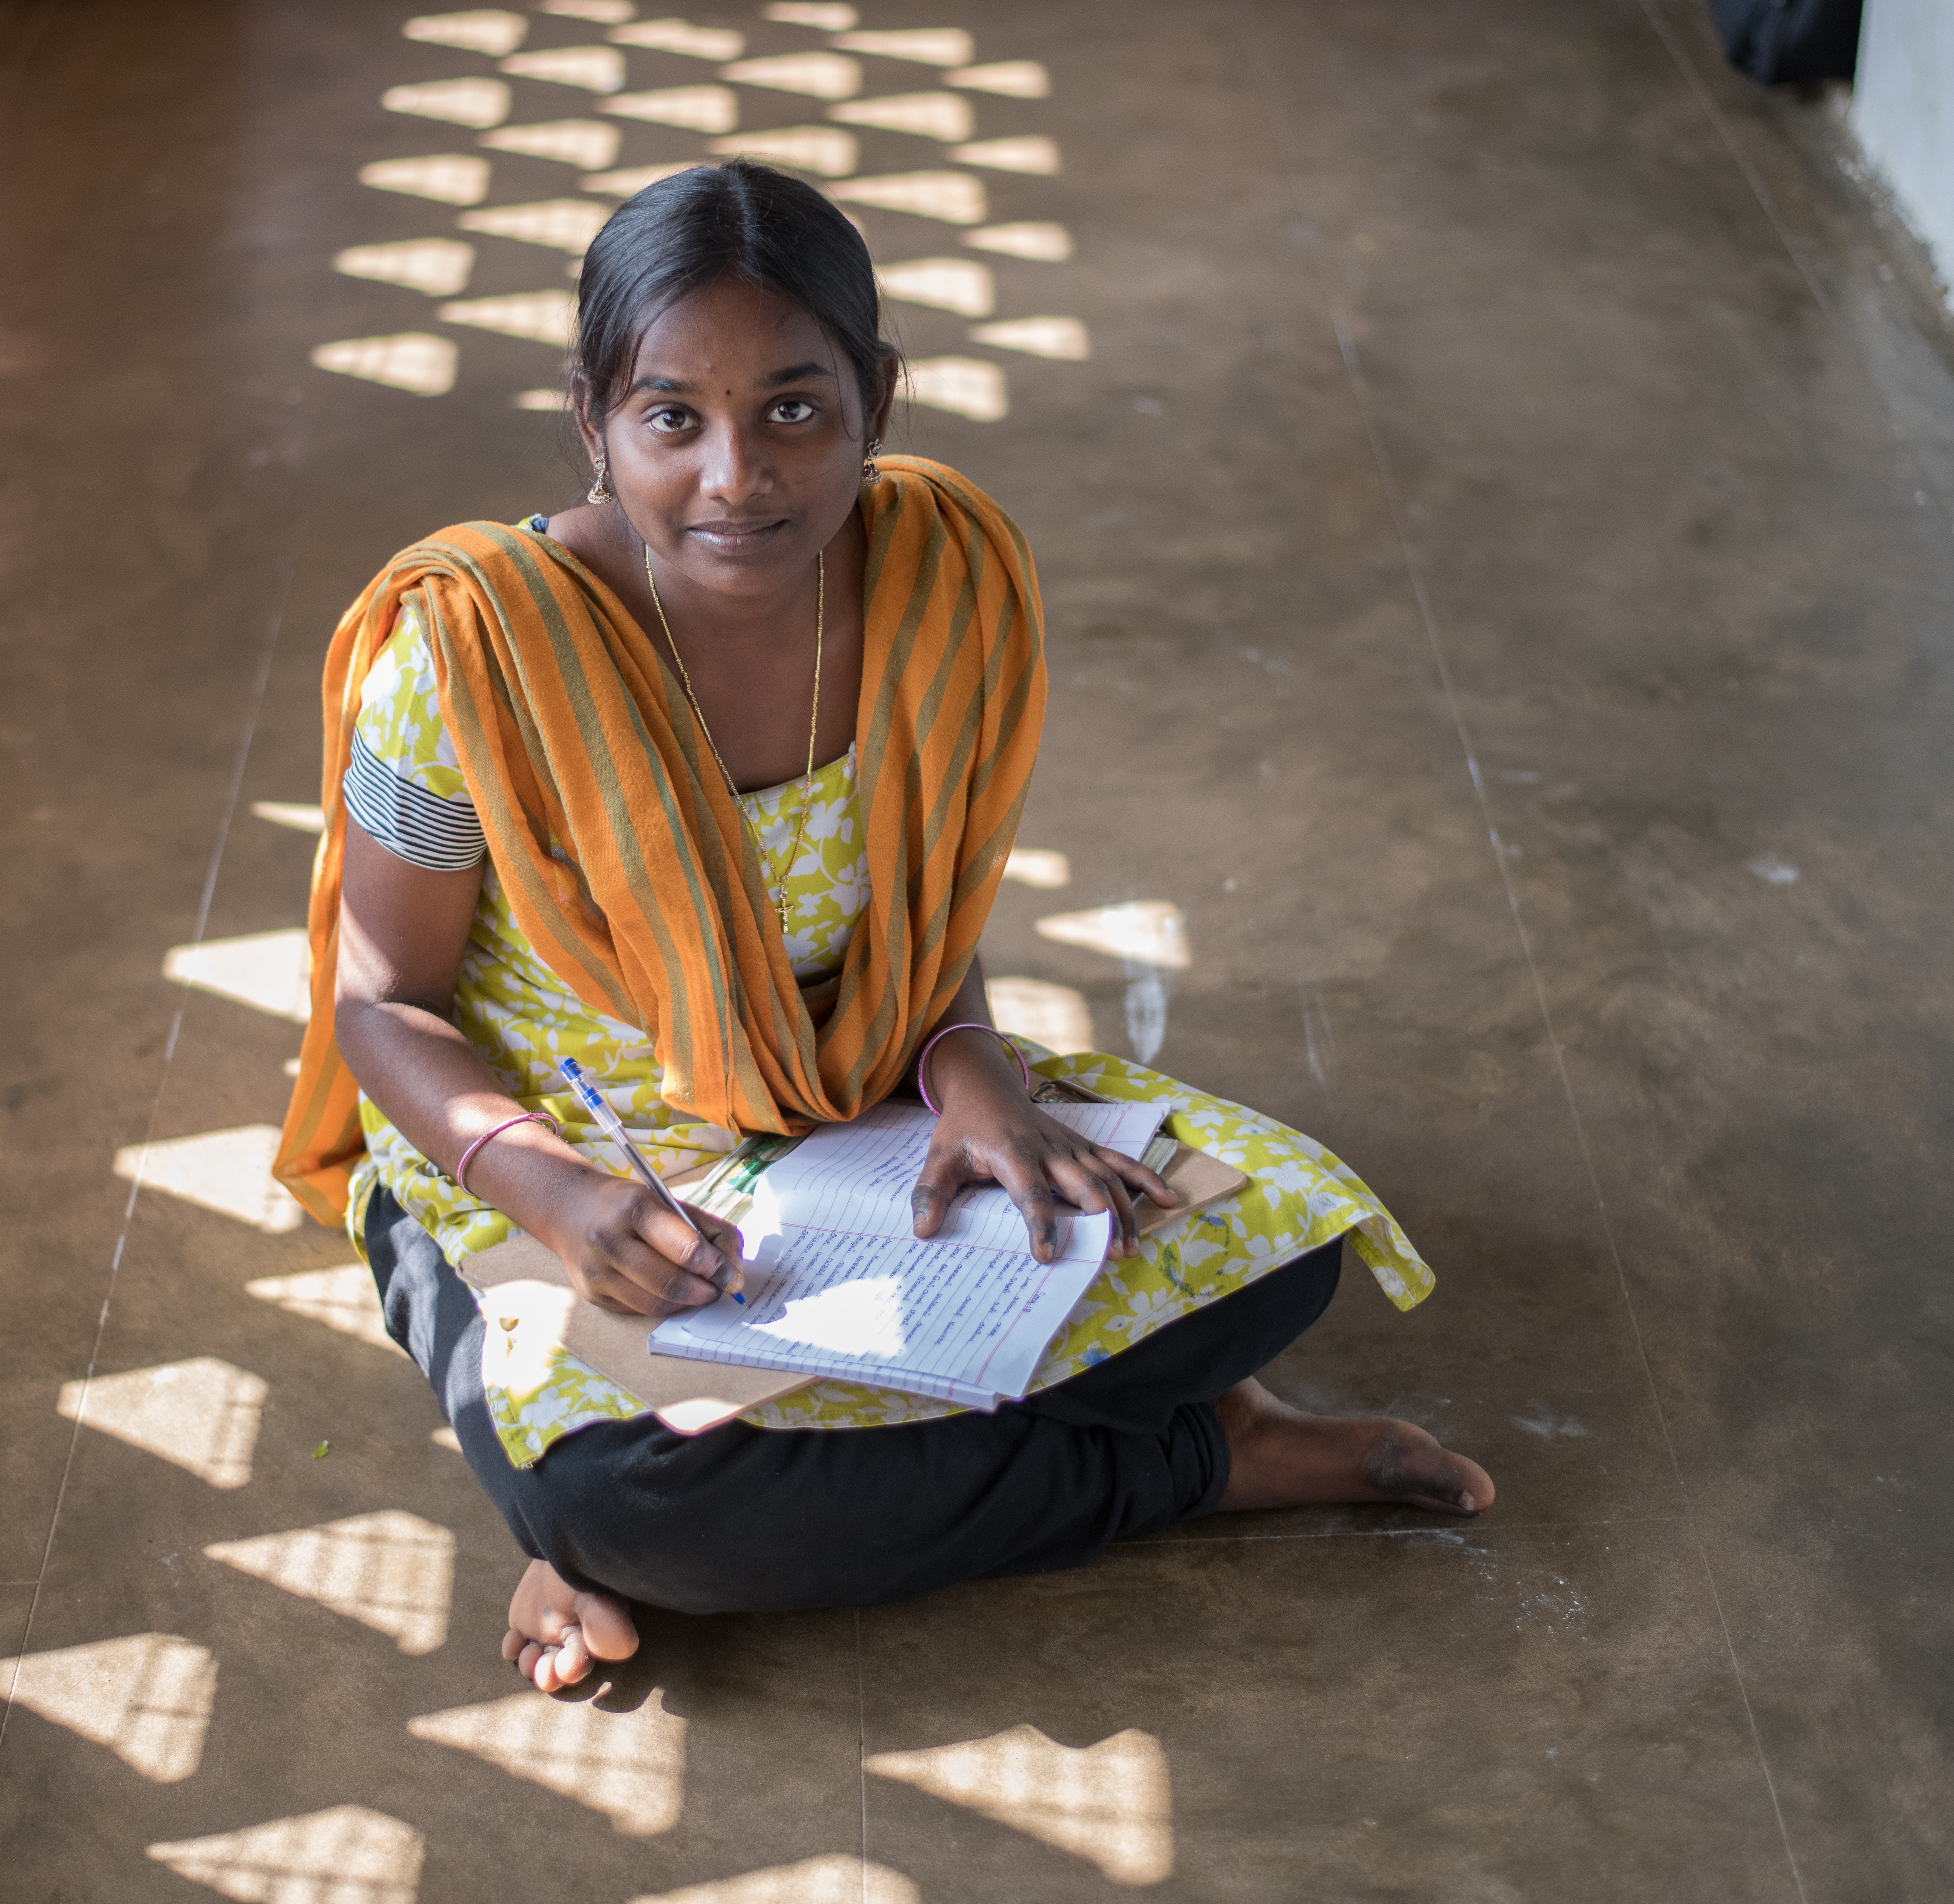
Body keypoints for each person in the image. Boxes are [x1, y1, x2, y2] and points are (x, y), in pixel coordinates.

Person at [277, 161, 1493, 1695]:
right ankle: (1198, 1461)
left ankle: (718, 1518)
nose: (737, 475)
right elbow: (387, 1006)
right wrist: (565, 1200)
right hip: (550, 1159)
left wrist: (971, 1074)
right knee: (629, 1497)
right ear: (591, 420)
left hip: (852, 1109)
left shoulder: (939, 581)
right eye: (673, 419)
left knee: (1286, 1247)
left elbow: (914, 915)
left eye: (795, 409)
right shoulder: (470, 657)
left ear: (878, 401)